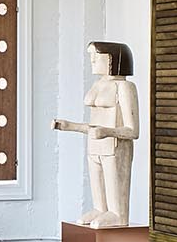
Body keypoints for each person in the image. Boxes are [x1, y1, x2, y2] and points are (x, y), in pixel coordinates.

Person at [53, 41, 139, 229]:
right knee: (99, 197)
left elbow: (133, 130)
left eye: (96, 56)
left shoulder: (124, 88)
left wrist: (108, 131)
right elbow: (94, 127)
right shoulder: (99, 84)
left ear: (111, 59)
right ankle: (101, 209)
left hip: (115, 148)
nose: (91, 60)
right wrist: (69, 126)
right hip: (95, 147)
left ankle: (116, 215)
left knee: (116, 201)